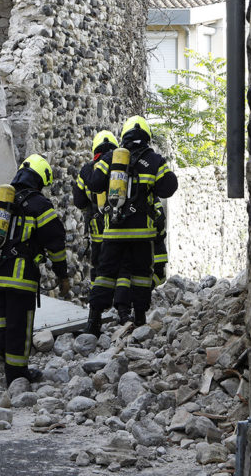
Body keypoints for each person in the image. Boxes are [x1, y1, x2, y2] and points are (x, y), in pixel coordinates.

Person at [0, 154, 70, 385]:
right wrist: (62, 275)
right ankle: (17, 375)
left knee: (5, 310)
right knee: (20, 324)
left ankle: (0, 346)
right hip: (20, 277)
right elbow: (55, 244)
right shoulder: (39, 205)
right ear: (39, 180)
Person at [84, 116, 178, 336]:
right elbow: (168, 188)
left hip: (113, 231)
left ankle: (93, 321)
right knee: (141, 275)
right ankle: (140, 318)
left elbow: (95, 184)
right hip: (141, 233)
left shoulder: (110, 157)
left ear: (124, 135)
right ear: (147, 136)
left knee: (105, 275)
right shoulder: (154, 160)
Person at [72, 129, 118, 284]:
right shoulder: (121, 166)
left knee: (99, 268)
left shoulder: (87, 170)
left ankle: (97, 296)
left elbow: (79, 202)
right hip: (120, 226)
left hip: (97, 229)